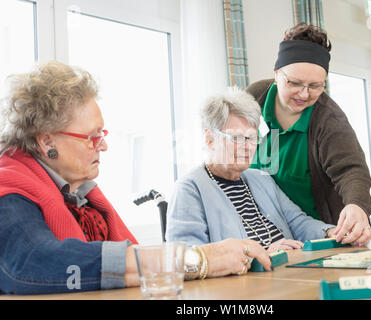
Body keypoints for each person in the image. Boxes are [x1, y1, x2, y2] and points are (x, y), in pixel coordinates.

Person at [0, 61, 271, 295]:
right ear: (47, 141)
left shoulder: (79, 192)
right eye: (92, 137)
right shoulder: (8, 188)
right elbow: (31, 262)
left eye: (102, 135)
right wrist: (197, 259)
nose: (103, 145)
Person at [166, 88, 336, 256]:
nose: (247, 146)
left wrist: (331, 232)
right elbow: (187, 257)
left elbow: (297, 222)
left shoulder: (261, 179)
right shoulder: (190, 188)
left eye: (252, 138)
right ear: (210, 139)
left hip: (289, 271)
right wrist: (260, 255)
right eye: (237, 138)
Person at [246, 22, 371, 247]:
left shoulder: (329, 120)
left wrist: (356, 205)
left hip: (316, 239)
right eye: (295, 83)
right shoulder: (253, 99)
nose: (304, 94)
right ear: (277, 74)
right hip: (260, 238)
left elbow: (351, 170)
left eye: (316, 86)